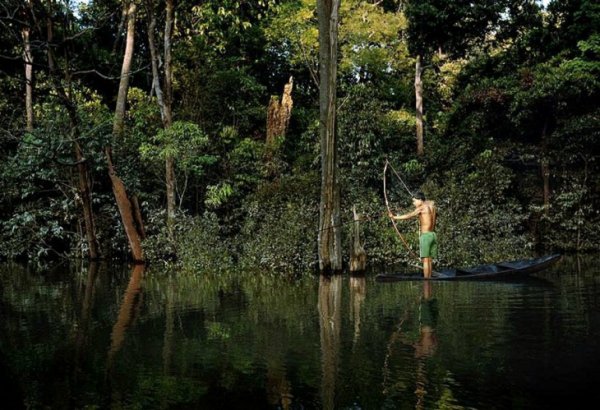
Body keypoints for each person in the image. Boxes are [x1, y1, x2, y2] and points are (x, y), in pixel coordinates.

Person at [388, 191, 437, 278]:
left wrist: (394, 217)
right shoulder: (432, 206)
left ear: (420, 200)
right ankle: (429, 279)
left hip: (425, 236)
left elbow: (408, 215)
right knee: (429, 259)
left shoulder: (421, 208)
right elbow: (431, 201)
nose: (413, 203)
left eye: (414, 201)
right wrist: (423, 200)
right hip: (432, 235)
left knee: (425, 260)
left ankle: (426, 280)